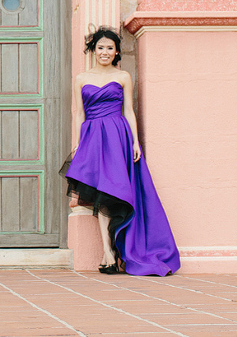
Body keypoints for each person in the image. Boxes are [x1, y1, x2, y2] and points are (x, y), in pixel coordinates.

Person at [65, 26, 180, 276]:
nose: (104, 52)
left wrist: (136, 141)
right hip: (93, 138)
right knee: (100, 195)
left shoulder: (123, 76)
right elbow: (80, 115)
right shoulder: (81, 79)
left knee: (114, 193)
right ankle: (108, 253)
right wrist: (78, 144)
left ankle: (119, 252)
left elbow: (128, 110)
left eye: (110, 48)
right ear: (93, 50)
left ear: (116, 51)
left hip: (118, 138)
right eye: (100, 47)